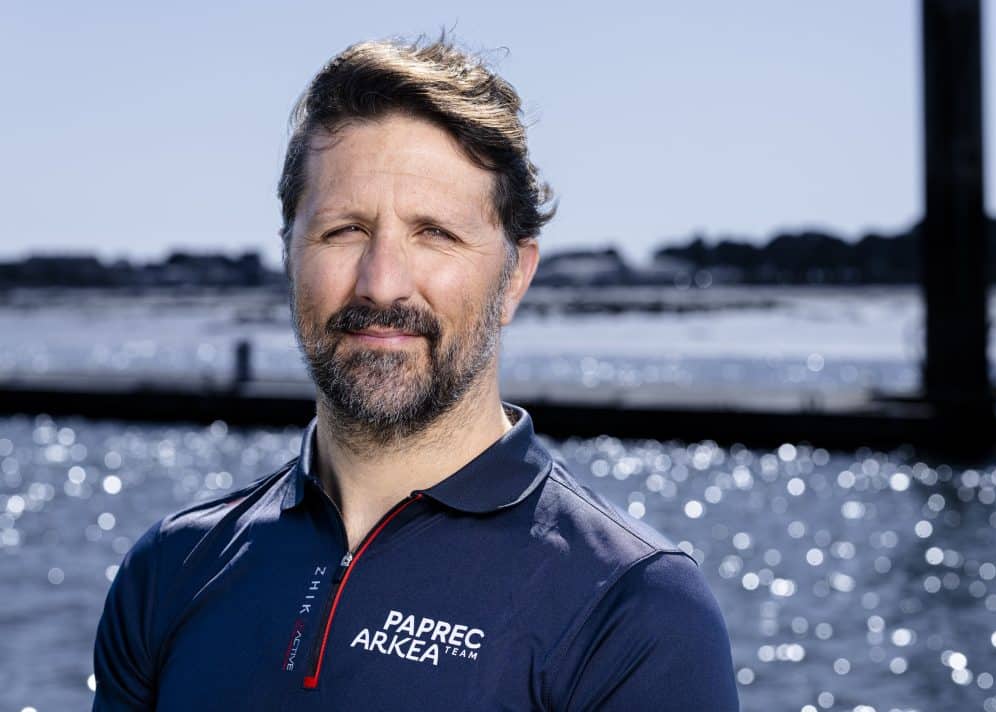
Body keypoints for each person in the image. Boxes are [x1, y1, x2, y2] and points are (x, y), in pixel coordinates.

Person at [92, 36, 739, 711]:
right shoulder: (168, 571)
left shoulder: (635, 610)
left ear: (514, 277)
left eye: (435, 233)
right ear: (290, 255)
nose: (381, 283)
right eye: (343, 230)